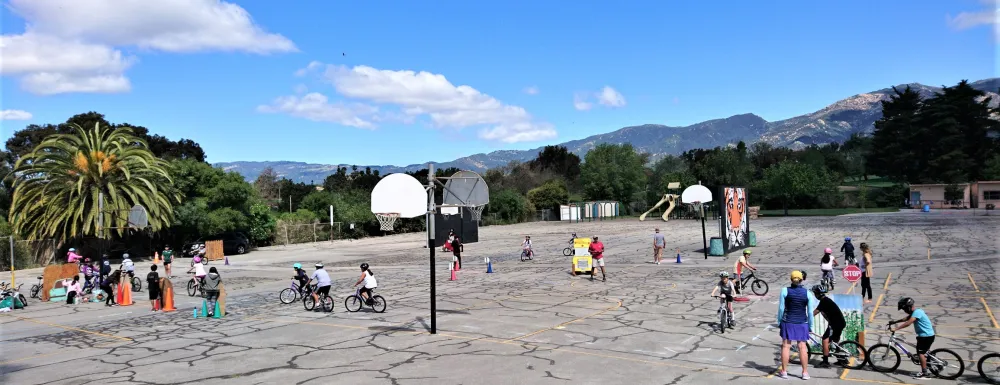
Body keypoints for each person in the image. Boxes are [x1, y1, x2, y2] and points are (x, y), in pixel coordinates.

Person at [776, 270, 816, 380]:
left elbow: (781, 308)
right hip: (802, 322)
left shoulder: (785, 291)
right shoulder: (807, 293)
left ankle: (784, 371)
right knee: (802, 347)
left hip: (788, 321)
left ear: (791, 279)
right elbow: (810, 312)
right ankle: (805, 373)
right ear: (802, 280)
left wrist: (779, 321)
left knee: (786, 346)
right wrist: (810, 325)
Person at [891, 297, 935, 379]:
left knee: (920, 353)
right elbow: (907, 318)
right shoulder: (916, 312)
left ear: (908, 307)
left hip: (925, 336)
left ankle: (924, 373)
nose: (904, 311)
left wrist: (896, 328)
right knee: (924, 351)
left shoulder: (917, 312)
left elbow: (908, 323)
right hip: (927, 335)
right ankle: (931, 361)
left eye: (904, 309)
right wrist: (895, 322)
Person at [811, 285, 847, 368]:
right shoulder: (826, 300)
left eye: (815, 293)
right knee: (835, 341)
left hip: (835, 324)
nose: (815, 295)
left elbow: (815, 313)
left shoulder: (824, 301)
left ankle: (825, 362)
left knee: (825, 340)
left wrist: (804, 319)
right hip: (840, 323)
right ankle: (842, 359)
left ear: (818, 294)